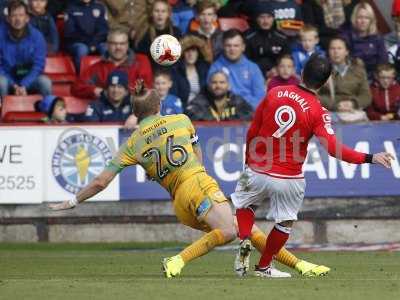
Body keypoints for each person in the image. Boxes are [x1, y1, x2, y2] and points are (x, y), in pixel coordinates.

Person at [49, 79, 331, 279]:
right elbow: (196, 155)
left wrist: (73, 200)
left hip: (179, 203)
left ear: (135, 113)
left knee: (244, 229)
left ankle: (298, 266)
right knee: (233, 230)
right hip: (198, 184)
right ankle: (177, 260)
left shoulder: (131, 144)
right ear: (160, 103)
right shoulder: (181, 120)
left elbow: (101, 181)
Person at [232, 53, 394, 278]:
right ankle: (264, 266)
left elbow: (253, 130)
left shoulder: (274, 92)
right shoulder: (318, 111)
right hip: (289, 177)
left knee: (244, 205)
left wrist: (248, 161)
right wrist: (370, 158)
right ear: (326, 82)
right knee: (284, 222)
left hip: (257, 168)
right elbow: (334, 149)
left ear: (301, 73)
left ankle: (245, 239)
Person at [72, 29, 153, 100]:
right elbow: (76, 88)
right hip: (106, 112)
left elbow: (146, 87)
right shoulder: (98, 67)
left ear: (127, 45)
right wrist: (95, 91)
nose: (118, 47)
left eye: (122, 43)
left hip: (134, 110)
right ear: (107, 45)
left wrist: (120, 93)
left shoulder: (141, 61)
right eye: (114, 43)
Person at [0, 0, 52, 98]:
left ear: (27, 18)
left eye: (21, 15)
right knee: (0, 82)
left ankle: (47, 111)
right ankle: (2, 112)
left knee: (45, 82)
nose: (18, 19)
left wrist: (24, 84)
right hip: (7, 80)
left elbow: (39, 65)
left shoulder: (37, 36)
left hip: (29, 79)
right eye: (14, 15)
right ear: (8, 19)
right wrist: (14, 85)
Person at [208, 29, 265, 109]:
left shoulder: (253, 68)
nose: (232, 49)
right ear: (223, 47)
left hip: (249, 113)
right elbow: (212, 97)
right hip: (225, 115)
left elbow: (260, 98)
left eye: (236, 46)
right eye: (228, 46)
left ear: (243, 47)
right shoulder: (215, 68)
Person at [318, 36, 371, 111]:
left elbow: (366, 96)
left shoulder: (358, 71)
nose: (336, 52)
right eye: (332, 48)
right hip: (329, 113)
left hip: (353, 113)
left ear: (346, 51)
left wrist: (353, 103)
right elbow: (313, 95)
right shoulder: (320, 71)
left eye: (339, 48)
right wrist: (335, 105)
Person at [341, 1, 387, 80]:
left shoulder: (378, 38)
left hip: (374, 78)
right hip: (352, 78)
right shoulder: (345, 37)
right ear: (354, 19)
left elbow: (383, 63)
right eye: (360, 17)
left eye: (366, 18)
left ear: (371, 20)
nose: (363, 21)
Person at [244, 1, 291, 78]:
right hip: (254, 75)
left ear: (273, 18)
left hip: (278, 75)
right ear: (256, 18)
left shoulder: (282, 37)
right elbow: (245, 62)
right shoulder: (248, 38)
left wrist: (277, 69)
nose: (266, 21)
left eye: (269, 17)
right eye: (262, 17)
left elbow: (287, 59)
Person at [186, 70, 253, 121]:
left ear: (228, 85)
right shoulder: (199, 101)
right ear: (209, 85)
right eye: (214, 82)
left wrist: (224, 121)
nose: (218, 86)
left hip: (232, 137)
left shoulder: (237, 101)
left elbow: (250, 115)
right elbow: (189, 115)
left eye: (222, 82)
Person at [134, 0, 182, 70]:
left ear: (168, 14)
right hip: (151, 72)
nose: (160, 14)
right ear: (151, 13)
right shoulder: (144, 34)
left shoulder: (176, 33)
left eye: (163, 11)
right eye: (157, 11)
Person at [64, 0, 109, 72]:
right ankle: (83, 78)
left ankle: (106, 77)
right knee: (82, 49)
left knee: (107, 49)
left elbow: (103, 30)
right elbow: (70, 32)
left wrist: (93, 43)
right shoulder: (71, 8)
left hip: (96, 42)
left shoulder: (100, 7)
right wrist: (90, 44)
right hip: (77, 42)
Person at [170, 35, 211, 106]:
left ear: (198, 53)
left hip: (203, 108)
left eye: (193, 51)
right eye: (187, 51)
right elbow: (174, 98)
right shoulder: (176, 71)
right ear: (182, 54)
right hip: (184, 110)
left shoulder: (204, 68)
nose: (190, 54)